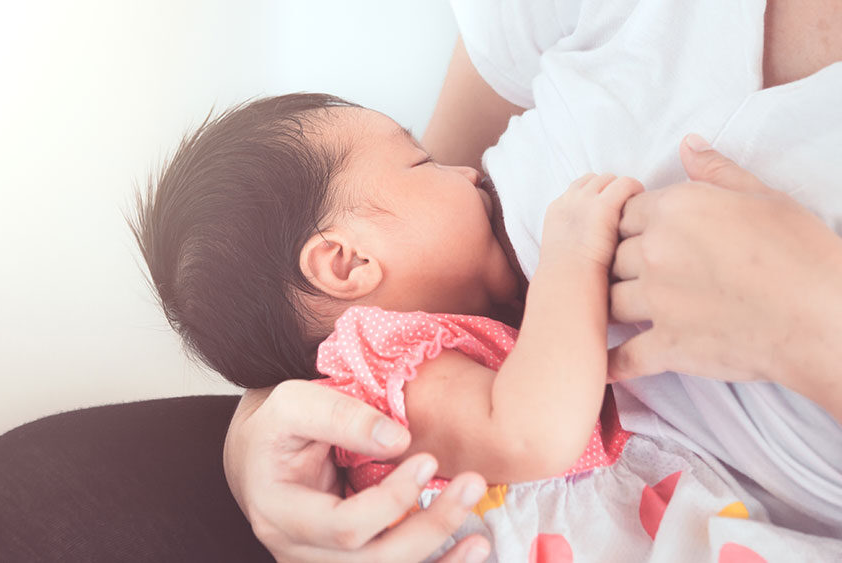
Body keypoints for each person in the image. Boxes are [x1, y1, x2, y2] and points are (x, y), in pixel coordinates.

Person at [225, 0, 842, 560]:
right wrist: (570, 257)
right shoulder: (385, 361)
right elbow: (535, 430)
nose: (469, 172)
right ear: (345, 263)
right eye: (425, 163)